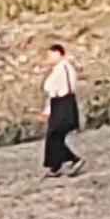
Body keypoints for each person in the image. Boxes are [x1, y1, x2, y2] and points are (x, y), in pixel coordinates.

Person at [42, 38, 84, 177]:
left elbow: (63, 88)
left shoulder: (63, 67)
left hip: (63, 103)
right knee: (54, 136)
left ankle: (72, 160)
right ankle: (56, 165)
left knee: (55, 134)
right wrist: (48, 109)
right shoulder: (57, 70)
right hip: (58, 103)